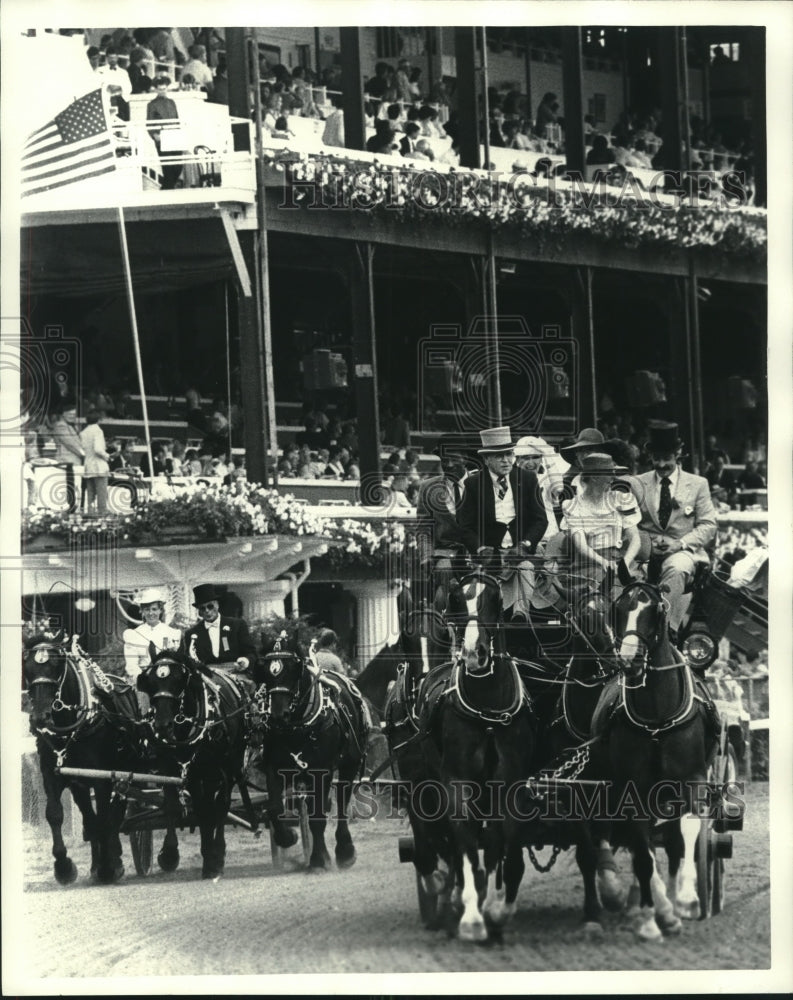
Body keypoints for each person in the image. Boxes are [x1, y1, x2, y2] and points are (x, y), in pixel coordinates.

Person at [634, 421, 717, 641]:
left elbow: (708, 525)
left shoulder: (698, 484)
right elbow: (630, 524)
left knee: (677, 568)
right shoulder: (637, 483)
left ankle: (665, 630)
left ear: (678, 454)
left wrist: (679, 544)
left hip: (681, 550)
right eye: (656, 458)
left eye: (667, 458)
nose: (661, 464)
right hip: (645, 551)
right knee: (621, 571)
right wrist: (648, 544)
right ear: (650, 456)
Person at [555, 453, 641, 591]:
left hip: (622, 559)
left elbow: (635, 538)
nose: (614, 478)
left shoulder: (622, 499)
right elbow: (581, 547)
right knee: (602, 593)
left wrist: (625, 563)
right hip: (591, 563)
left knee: (636, 593)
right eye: (609, 474)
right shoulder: (573, 506)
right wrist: (605, 563)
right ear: (594, 477)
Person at [458, 426, 547, 558]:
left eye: (509, 454)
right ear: (486, 459)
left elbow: (540, 520)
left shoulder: (527, 479)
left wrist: (526, 544)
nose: (505, 460)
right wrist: (479, 548)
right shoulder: (473, 484)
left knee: (526, 574)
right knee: (479, 579)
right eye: (499, 456)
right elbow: (465, 525)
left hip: (521, 552)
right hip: (488, 556)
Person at [415, 435, 469, 609]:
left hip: (478, 554)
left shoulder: (483, 485)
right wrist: (426, 556)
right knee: (444, 571)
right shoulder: (428, 487)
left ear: (465, 458)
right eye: (445, 460)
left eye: (454, 459)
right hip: (445, 554)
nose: (449, 465)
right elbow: (423, 530)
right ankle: (443, 623)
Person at [180, 583, 256, 670]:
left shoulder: (237, 625)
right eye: (202, 608)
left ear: (217, 605)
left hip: (235, 673)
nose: (207, 611)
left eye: (210, 606)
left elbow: (251, 653)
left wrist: (245, 661)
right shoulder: (192, 634)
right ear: (199, 612)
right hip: (206, 677)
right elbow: (188, 661)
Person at [123, 588, 181, 680]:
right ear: (141, 611)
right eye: (147, 609)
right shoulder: (133, 635)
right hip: (143, 680)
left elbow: (177, 663)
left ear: (160, 610)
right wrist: (143, 679)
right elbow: (131, 666)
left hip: (168, 680)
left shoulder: (172, 633)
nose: (151, 613)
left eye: (154, 609)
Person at [146, 75, 182, 189]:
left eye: (164, 89)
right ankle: (168, 190)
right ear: (156, 89)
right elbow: (149, 123)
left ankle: (166, 188)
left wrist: (180, 134)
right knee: (168, 167)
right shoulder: (152, 104)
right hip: (162, 137)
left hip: (174, 136)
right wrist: (155, 135)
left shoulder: (172, 102)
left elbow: (177, 119)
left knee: (178, 164)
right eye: (160, 89)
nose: (162, 91)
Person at [49, 407, 85, 513]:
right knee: (71, 491)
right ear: (63, 414)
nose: (72, 417)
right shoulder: (61, 425)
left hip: (75, 463)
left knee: (76, 489)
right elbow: (71, 444)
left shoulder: (72, 427)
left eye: (74, 415)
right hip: (67, 462)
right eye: (70, 414)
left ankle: (75, 512)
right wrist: (85, 454)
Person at [79, 409, 110, 514]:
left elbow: (82, 449)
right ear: (99, 419)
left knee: (90, 494)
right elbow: (97, 449)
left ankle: (91, 514)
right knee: (101, 493)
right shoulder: (98, 430)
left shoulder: (83, 432)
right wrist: (106, 455)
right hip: (99, 465)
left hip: (88, 464)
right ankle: (102, 514)